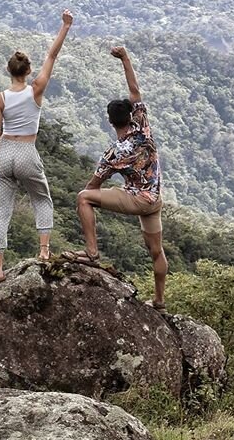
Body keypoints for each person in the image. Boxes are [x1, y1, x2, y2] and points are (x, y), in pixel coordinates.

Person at [65, 46, 168, 312]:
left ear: (111, 122)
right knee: (156, 250)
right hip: (155, 198)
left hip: (136, 199)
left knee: (83, 198)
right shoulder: (143, 126)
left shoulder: (114, 153)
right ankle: (159, 300)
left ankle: (91, 253)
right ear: (130, 116)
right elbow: (135, 90)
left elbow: (92, 187)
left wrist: (93, 190)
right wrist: (125, 58)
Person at [0, 9, 73, 281]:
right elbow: (52, 56)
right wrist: (65, 26)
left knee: (0, 214)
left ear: (9, 72)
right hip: (26, 152)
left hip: (4, 153)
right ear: (28, 71)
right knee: (41, 199)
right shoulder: (36, 89)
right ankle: (44, 252)